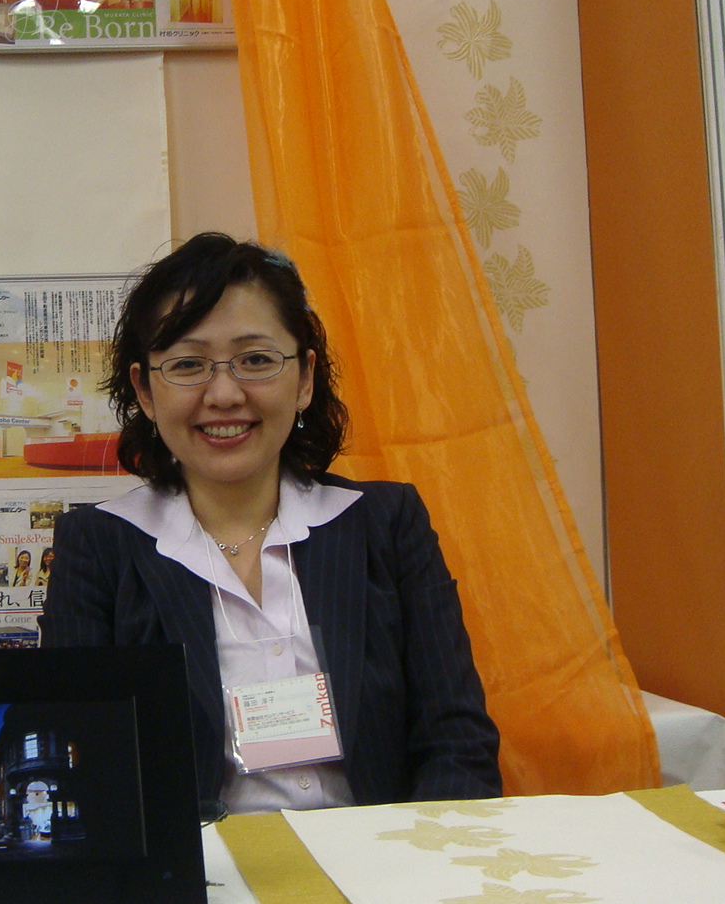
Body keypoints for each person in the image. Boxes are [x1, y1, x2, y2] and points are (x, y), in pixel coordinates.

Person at [40, 233, 500, 813]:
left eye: (256, 360)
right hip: (203, 863)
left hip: (380, 856)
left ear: (304, 378)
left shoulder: (386, 525)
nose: (224, 394)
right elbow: (82, 759)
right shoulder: (99, 547)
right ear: (145, 391)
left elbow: (457, 745)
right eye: (188, 364)